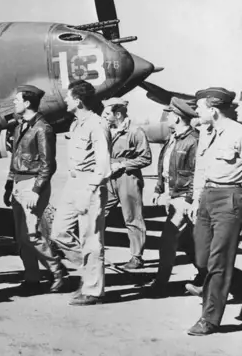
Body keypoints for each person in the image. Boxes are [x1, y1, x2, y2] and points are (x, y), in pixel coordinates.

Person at [186, 87, 242, 336]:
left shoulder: (238, 133)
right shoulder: (206, 132)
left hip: (230, 197)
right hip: (207, 197)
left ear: (213, 109)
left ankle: (209, 319)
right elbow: (201, 168)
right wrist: (196, 199)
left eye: (199, 107)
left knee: (219, 260)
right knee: (201, 257)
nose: (196, 111)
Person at [51, 80, 112, 306]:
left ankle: (93, 289)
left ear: (77, 100)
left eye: (68, 97)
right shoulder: (76, 124)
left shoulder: (97, 124)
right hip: (73, 181)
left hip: (90, 184)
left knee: (91, 238)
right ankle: (90, 274)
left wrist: (90, 190)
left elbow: (103, 163)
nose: (65, 100)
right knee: (58, 232)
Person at [3, 85, 64, 293]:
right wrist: (8, 184)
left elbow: (48, 165)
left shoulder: (42, 128)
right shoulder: (20, 127)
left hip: (32, 184)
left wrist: (36, 191)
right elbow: (15, 160)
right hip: (19, 184)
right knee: (21, 238)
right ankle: (32, 278)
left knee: (32, 234)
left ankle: (58, 272)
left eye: (17, 99)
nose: (14, 102)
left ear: (27, 103)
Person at [144, 97, 202, 295]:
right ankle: (205, 275)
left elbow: (197, 173)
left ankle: (160, 284)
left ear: (177, 118)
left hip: (182, 199)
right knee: (187, 242)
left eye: (169, 113)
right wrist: (158, 188)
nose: (166, 116)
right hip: (172, 196)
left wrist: (187, 200)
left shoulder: (193, 140)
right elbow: (165, 166)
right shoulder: (173, 138)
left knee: (167, 241)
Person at [100, 97, 152, 269]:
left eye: (108, 113)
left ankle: (136, 256)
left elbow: (146, 158)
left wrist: (122, 164)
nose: (104, 116)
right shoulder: (105, 129)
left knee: (132, 217)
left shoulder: (135, 131)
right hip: (108, 178)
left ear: (119, 114)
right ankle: (94, 253)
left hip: (127, 178)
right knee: (98, 213)